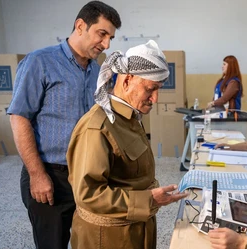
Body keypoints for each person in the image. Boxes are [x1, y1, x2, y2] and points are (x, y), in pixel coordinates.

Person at [7, 2, 121, 248]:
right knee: (53, 243)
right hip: (50, 174)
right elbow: (19, 117)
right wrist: (37, 175)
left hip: (86, 175)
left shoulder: (97, 72)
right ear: (80, 26)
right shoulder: (40, 62)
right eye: (102, 34)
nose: (107, 44)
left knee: (89, 241)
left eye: (111, 37)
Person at [66, 40, 189, 249]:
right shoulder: (97, 128)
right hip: (108, 238)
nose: (155, 98)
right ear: (127, 81)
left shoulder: (129, 119)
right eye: (151, 89)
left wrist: (151, 198)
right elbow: (88, 194)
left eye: (158, 89)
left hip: (134, 230)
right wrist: (147, 200)